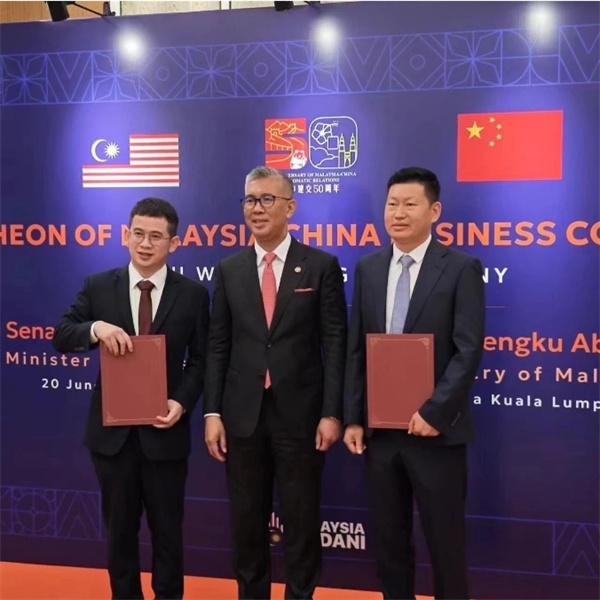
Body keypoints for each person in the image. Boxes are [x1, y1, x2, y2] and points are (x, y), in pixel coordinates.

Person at [52, 198, 210, 600]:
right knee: (119, 535)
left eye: (156, 236)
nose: (145, 243)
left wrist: (182, 402)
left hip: (165, 434)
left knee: (168, 534)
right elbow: (62, 335)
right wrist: (96, 328)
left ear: (174, 243)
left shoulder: (193, 295)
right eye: (138, 233)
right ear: (125, 236)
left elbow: (203, 360)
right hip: (113, 439)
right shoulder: (98, 286)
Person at [203, 166, 347, 600]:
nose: (257, 208)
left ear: (290, 207)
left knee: (301, 522)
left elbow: (335, 344)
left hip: (301, 418)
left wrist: (332, 412)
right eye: (250, 200)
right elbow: (218, 345)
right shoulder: (229, 269)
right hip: (241, 416)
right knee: (247, 523)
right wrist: (212, 412)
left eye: (268, 199)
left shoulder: (320, 266)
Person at [344, 167, 485, 600]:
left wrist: (434, 411)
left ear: (434, 211)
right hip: (381, 435)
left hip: (437, 434)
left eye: (410, 204)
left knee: (445, 545)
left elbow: (468, 350)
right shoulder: (368, 268)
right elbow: (356, 348)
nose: (398, 213)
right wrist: (354, 417)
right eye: (392, 204)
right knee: (389, 546)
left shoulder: (460, 268)